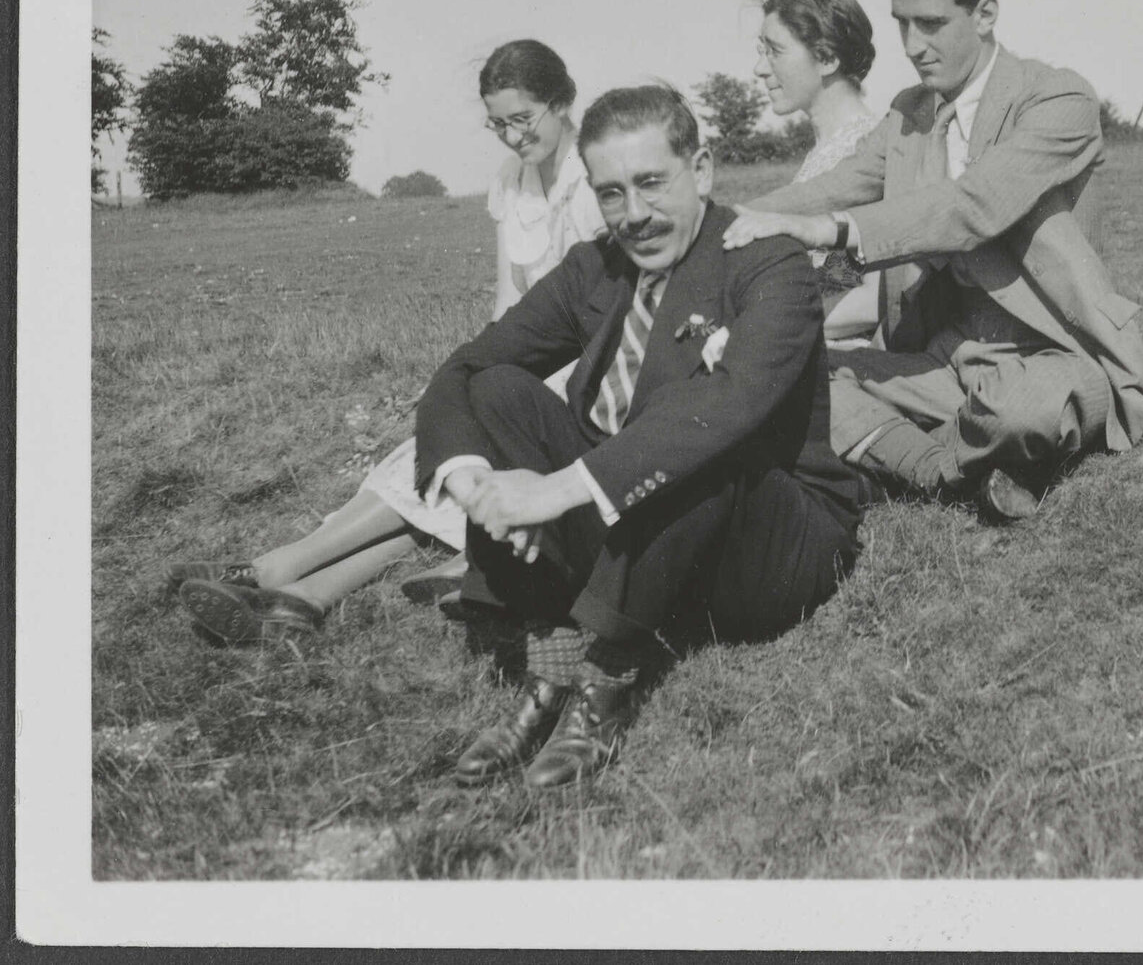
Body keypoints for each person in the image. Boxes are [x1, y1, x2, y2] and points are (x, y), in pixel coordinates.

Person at [416, 84, 861, 789]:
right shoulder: (594, 267)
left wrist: (555, 492)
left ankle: (607, 676)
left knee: (693, 423)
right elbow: (469, 365)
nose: (634, 215)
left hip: (766, 540)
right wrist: (480, 485)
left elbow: (734, 401)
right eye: (612, 192)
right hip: (643, 530)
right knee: (499, 391)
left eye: (652, 183)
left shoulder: (765, 261)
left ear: (704, 170)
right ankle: (553, 662)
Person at [723, 0, 1143, 522]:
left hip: (1050, 350)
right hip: (944, 354)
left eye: (931, 24)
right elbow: (833, 185)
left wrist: (828, 231)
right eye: (901, 22)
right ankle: (952, 475)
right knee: (811, 381)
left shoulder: (1057, 101)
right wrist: (715, 224)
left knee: (1022, 410)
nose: (912, 44)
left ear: (985, 13)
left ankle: (924, 458)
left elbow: (972, 207)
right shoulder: (907, 114)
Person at [168, 40, 607, 643]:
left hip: (580, 380)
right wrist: (464, 376)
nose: (510, 137)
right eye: (497, 124)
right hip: (524, 362)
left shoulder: (596, 181)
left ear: (561, 102)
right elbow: (507, 304)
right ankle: (299, 595)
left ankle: (282, 570)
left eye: (522, 120)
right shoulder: (512, 181)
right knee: (430, 468)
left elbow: (605, 317)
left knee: (448, 468)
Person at [751, 0, 884, 345]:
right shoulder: (822, 153)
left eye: (774, 51)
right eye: (760, 51)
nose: (759, 68)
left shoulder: (873, 149)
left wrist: (759, 330)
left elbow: (876, 296)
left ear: (826, 59)